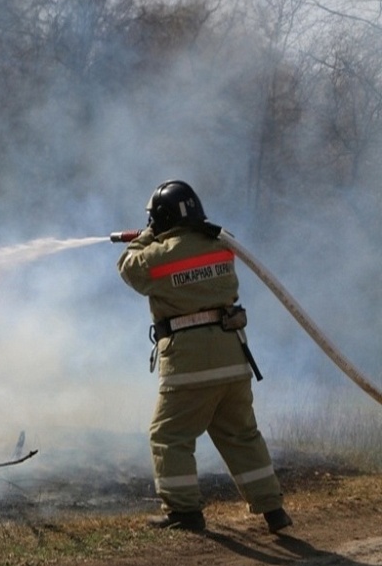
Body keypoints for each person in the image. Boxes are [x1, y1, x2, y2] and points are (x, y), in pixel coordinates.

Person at [117, 180, 292, 533]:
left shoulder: (159, 255)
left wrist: (145, 236)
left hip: (190, 362)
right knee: (241, 435)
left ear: (161, 219)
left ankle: (184, 511)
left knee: (169, 435)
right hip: (233, 356)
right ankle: (273, 509)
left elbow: (128, 267)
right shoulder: (221, 246)